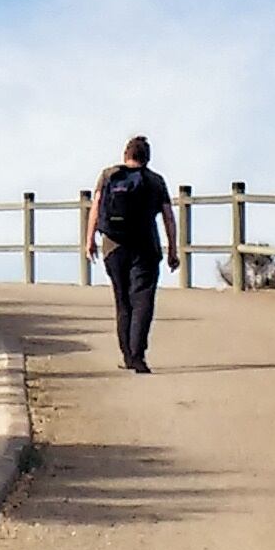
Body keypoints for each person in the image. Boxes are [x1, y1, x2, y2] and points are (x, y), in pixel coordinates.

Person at [88, 135, 176, 372]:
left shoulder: (108, 176)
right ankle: (138, 355)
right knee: (143, 300)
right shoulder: (155, 181)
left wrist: (89, 240)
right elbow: (168, 216)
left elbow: (95, 207)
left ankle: (127, 354)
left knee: (122, 301)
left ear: (125, 155)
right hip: (146, 247)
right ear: (147, 157)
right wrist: (173, 250)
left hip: (113, 247)